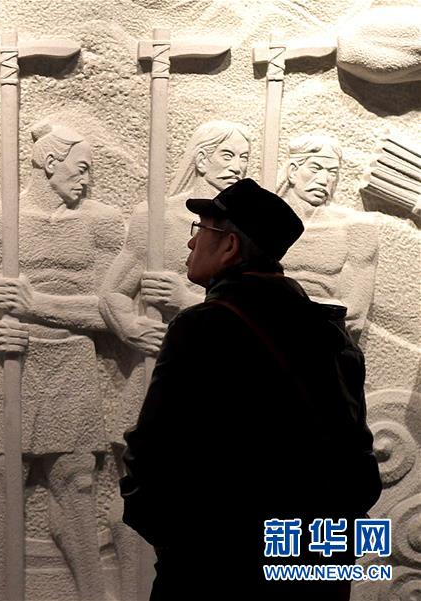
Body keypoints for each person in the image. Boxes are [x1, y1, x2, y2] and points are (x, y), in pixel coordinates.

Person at [119, 177, 382, 600]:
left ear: (229, 246)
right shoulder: (330, 331)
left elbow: (153, 449)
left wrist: (174, 543)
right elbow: (358, 457)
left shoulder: (202, 326)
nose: (191, 242)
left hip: (217, 568)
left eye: (201, 229)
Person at [0, 119, 126, 601]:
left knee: (78, 481)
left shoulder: (102, 222)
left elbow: (114, 308)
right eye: (81, 168)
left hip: (71, 362)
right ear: (50, 162)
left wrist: (39, 305)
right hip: (13, 362)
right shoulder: (0, 219)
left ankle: (93, 594)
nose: (87, 179)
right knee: (1, 479)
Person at [98, 120, 251, 557]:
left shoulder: (247, 226)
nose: (237, 166)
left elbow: (256, 309)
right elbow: (112, 292)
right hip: (160, 370)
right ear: (201, 158)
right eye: (227, 155)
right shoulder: (156, 218)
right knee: (135, 493)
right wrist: (131, 328)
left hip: (220, 378)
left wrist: (188, 300)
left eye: (244, 157)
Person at [277, 133, 378, 341]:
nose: (324, 180)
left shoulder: (356, 228)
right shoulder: (261, 222)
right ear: (293, 171)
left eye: (332, 172)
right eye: (315, 168)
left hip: (324, 340)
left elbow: (354, 314)